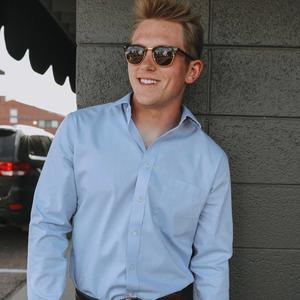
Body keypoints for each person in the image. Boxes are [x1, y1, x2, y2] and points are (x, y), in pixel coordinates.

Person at [27, 0, 233, 299]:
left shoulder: (210, 161)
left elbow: (212, 260)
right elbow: (48, 224)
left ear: (193, 70)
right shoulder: (79, 131)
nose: (146, 65)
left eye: (164, 55)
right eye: (136, 53)